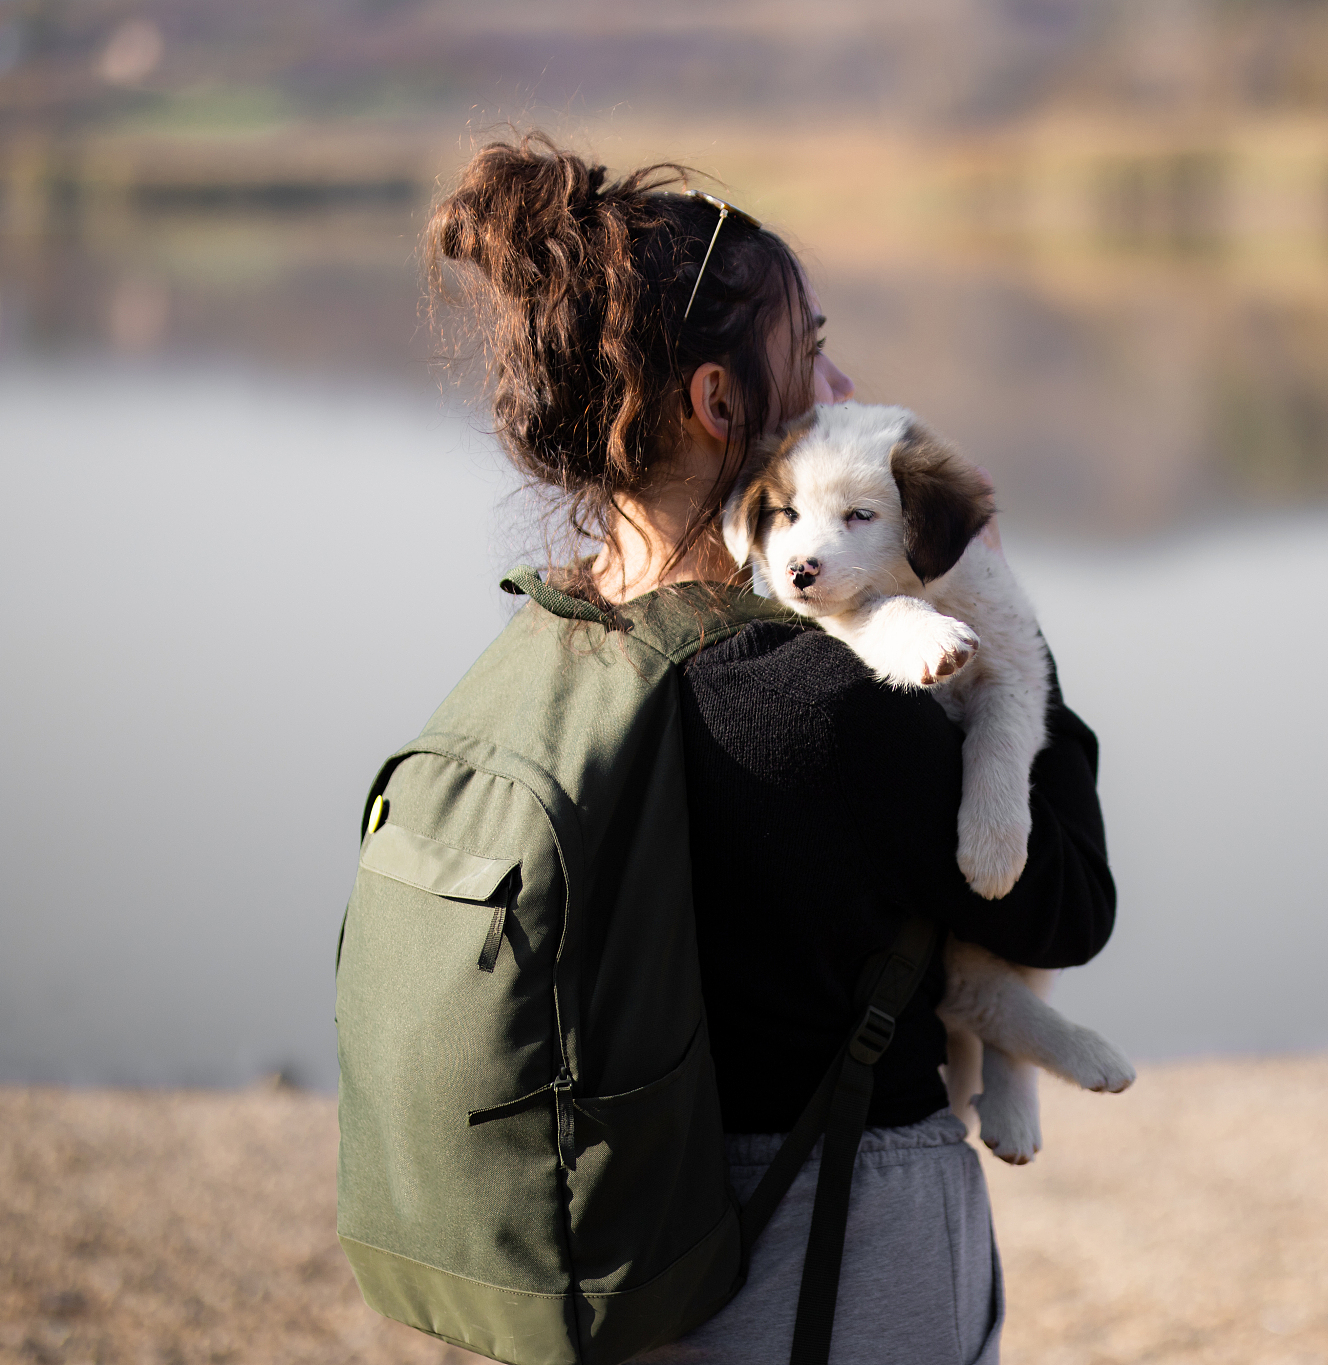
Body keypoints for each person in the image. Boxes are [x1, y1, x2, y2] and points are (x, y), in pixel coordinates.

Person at [425, 132, 1116, 1365]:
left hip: (608, 1261)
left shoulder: (548, 646)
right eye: (809, 350)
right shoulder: (828, 703)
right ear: (714, 402)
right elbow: (1061, 908)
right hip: (827, 1257)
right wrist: (989, 596)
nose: (840, 381)